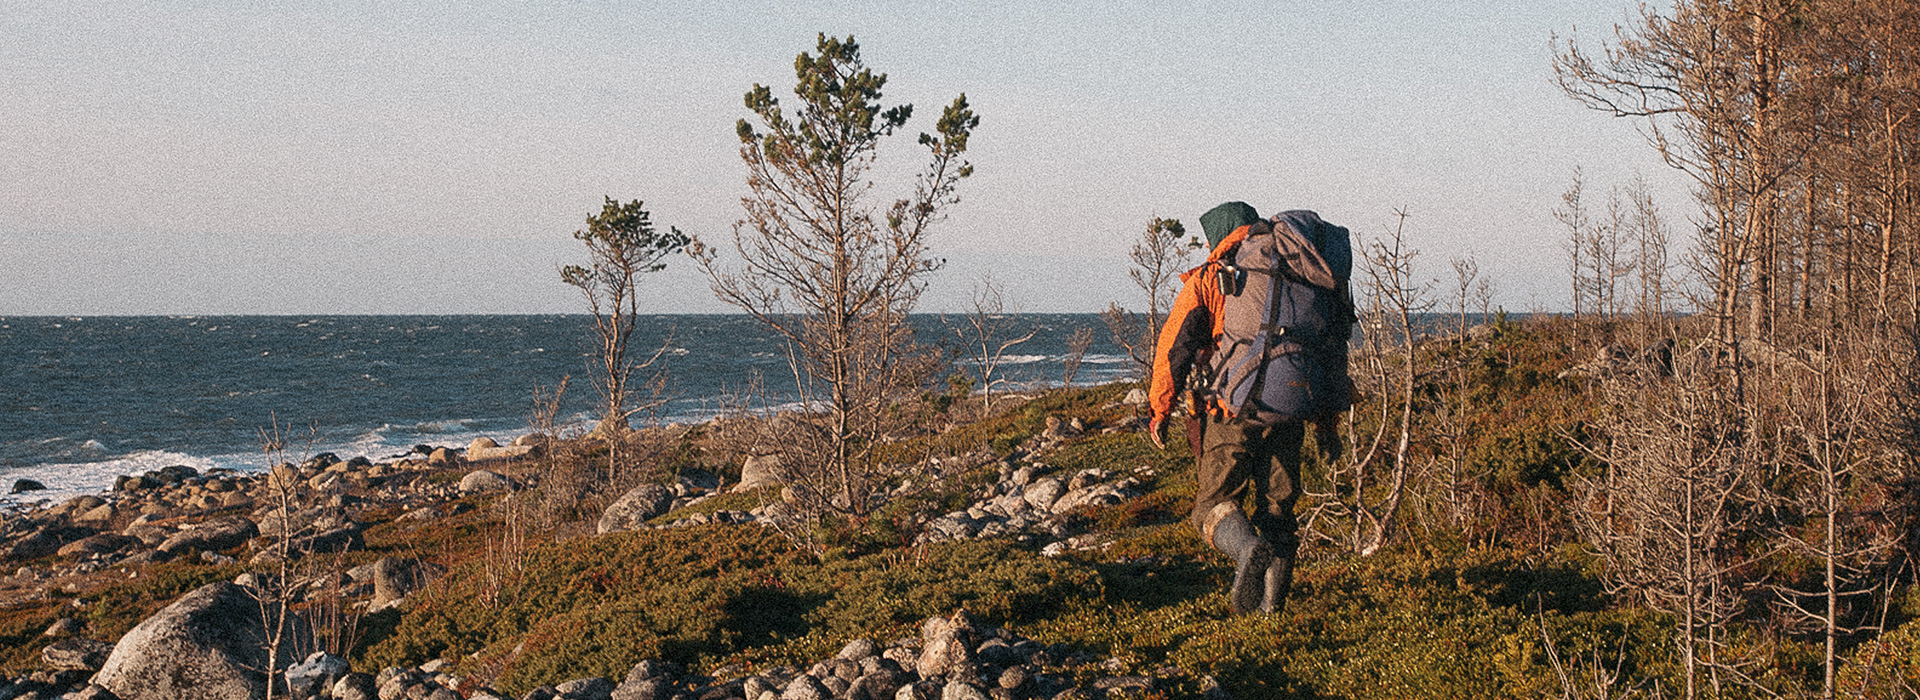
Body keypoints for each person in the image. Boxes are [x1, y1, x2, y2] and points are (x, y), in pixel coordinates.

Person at [1146, 201, 1354, 615]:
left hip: (1233, 410)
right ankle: (1271, 613)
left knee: (1212, 505)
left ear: (1217, 236)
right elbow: (1333, 353)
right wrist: (1329, 425)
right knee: (1279, 512)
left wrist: (1159, 410)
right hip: (1293, 408)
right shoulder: (1307, 273)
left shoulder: (1214, 276)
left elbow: (1175, 349)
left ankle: (1246, 550)